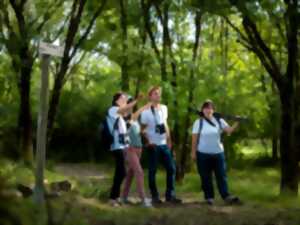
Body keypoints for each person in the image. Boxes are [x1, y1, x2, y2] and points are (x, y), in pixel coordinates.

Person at [191, 99, 241, 205]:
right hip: (203, 154)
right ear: (202, 110)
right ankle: (209, 198)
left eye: (210, 108)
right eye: (205, 108)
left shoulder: (219, 120)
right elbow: (194, 139)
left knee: (221, 175)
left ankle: (226, 196)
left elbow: (229, 131)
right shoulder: (198, 122)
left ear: (213, 110)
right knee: (205, 176)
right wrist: (193, 152)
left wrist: (237, 121)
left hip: (218, 153)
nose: (208, 110)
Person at [141, 86, 181, 204]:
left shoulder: (164, 108)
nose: (157, 96)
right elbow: (142, 129)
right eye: (155, 94)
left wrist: (169, 140)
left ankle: (170, 195)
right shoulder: (145, 111)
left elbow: (165, 124)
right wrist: (148, 142)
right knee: (153, 171)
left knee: (171, 168)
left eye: (158, 94)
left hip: (164, 144)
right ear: (150, 96)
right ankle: (155, 196)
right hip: (153, 145)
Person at [107, 92, 141, 207]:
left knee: (121, 171)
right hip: (116, 146)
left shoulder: (121, 116)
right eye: (123, 98)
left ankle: (116, 197)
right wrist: (136, 100)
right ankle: (113, 198)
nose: (125, 100)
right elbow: (125, 108)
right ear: (117, 100)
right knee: (121, 171)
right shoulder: (113, 110)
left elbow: (124, 131)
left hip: (122, 146)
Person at [121, 99, 152, 207]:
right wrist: (146, 105)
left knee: (130, 174)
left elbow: (137, 133)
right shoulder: (123, 119)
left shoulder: (135, 121)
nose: (130, 108)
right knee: (139, 172)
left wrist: (146, 138)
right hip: (130, 149)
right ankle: (143, 200)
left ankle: (123, 198)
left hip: (139, 149)